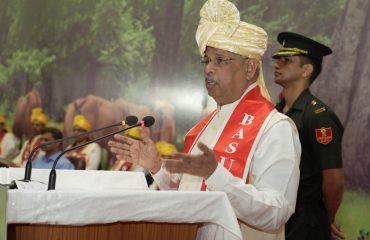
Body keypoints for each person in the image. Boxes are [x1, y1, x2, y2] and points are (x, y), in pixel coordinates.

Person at [108, 0, 301, 239]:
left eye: (220, 60)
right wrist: (157, 166)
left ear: (250, 68)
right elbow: (190, 195)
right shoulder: (207, 125)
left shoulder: (275, 128)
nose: (208, 69)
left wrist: (216, 175)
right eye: (206, 60)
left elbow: (275, 212)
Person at [272, 32, 345, 240]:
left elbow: (334, 180)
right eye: (278, 59)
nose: (277, 64)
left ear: (306, 70)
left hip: (306, 221)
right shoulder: (274, 112)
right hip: (275, 214)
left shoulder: (318, 116)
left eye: (286, 60)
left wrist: (327, 220)